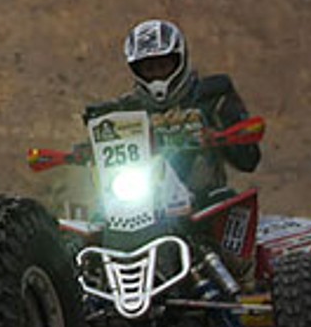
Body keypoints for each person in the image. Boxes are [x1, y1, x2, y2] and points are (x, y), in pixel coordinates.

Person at [88, 18, 260, 208]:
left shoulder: (212, 95)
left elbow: (249, 160)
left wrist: (219, 138)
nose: (157, 75)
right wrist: (88, 153)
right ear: (136, 69)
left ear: (180, 59)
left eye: (163, 66)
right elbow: (100, 153)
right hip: (142, 204)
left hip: (206, 200)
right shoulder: (123, 110)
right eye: (149, 68)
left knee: (232, 209)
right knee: (96, 220)